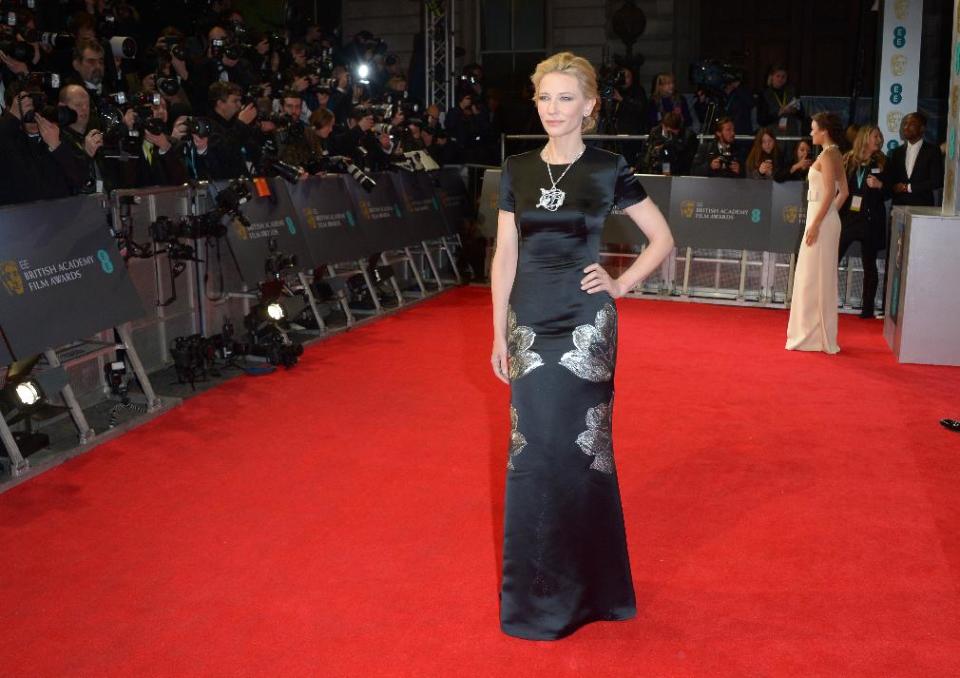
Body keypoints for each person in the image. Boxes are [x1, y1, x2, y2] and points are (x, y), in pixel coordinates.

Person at [490, 51, 674, 640]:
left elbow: (662, 238)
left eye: (565, 98)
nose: (552, 108)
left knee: (578, 452)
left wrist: (621, 282)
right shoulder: (516, 168)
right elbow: (505, 255)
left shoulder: (608, 167)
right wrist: (497, 330)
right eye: (545, 97)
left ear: (589, 106)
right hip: (527, 321)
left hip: (584, 324)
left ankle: (591, 592)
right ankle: (535, 599)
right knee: (529, 456)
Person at [786, 112, 849, 354]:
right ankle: (814, 334)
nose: (811, 133)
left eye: (813, 129)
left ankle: (813, 336)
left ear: (824, 130)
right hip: (823, 220)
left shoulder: (830, 154)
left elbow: (830, 193)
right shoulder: (832, 153)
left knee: (812, 278)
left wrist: (818, 223)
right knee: (812, 276)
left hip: (820, 222)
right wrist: (829, 217)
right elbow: (843, 192)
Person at [839, 126, 887, 319]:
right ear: (865, 138)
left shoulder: (883, 161)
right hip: (850, 218)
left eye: (880, 136)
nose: (879, 139)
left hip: (871, 219)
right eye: (876, 136)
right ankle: (823, 300)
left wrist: (880, 185)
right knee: (832, 258)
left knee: (870, 264)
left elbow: (891, 189)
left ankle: (867, 309)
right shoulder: (848, 159)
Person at [886, 112, 944, 207]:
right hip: (899, 207)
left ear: (922, 128)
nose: (906, 127)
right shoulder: (897, 152)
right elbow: (892, 179)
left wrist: (908, 187)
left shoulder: (932, 151)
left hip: (922, 207)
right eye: (905, 123)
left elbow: (937, 181)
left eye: (911, 124)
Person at [756, 65, 803, 138]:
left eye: (783, 76)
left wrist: (794, 111)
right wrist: (778, 113)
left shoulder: (792, 92)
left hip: (791, 134)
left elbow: (802, 114)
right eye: (778, 76)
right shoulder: (764, 94)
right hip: (772, 135)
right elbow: (761, 120)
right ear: (771, 77)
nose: (780, 79)